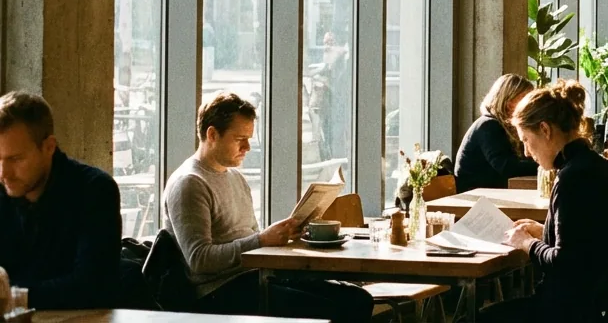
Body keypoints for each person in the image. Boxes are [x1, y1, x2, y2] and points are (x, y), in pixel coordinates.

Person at [163, 92, 372, 322]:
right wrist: (262, 240)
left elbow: (249, 237)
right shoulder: (190, 183)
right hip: (216, 291)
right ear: (212, 134)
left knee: (357, 299)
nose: (247, 147)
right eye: (239, 139)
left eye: (249, 138)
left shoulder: (235, 178)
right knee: (328, 310)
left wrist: (284, 236)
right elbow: (199, 260)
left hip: (255, 278)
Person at [483, 81, 608, 322]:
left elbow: (565, 265)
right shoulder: (602, 168)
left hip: (572, 312)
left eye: (525, 140)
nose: (525, 152)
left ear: (545, 130)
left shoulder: (573, 178)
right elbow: (590, 241)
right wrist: (545, 232)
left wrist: (527, 243)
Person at [0, 92, 120, 310]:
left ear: (48, 147)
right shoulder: (3, 189)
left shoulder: (94, 190)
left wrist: (13, 297)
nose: (3, 173)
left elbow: (93, 286)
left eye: (15, 159)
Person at [454, 74, 538, 192]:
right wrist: (545, 164)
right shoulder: (488, 126)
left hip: (489, 194)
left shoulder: (498, 125)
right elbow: (507, 167)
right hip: (477, 200)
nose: (531, 105)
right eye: (525, 99)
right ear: (509, 102)